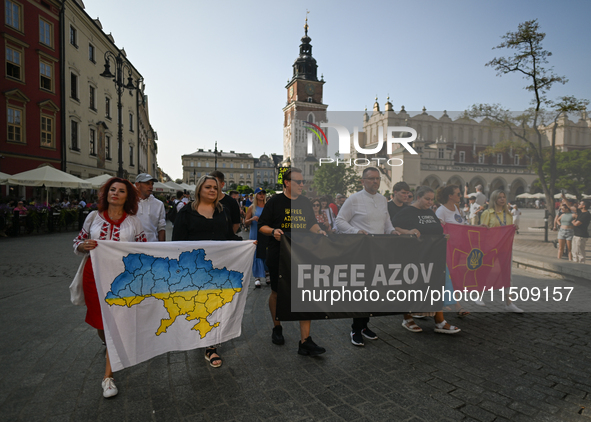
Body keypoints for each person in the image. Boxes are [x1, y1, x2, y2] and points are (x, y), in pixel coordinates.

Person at [73, 177, 147, 398]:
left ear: (128, 196)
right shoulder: (93, 217)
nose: (115, 193)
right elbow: (78, 241)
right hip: (93, 275)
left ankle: (108, 377)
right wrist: (82, 245)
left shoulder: (134, 222)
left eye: (121, 191)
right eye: (112, 190)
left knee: (116, 323)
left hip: (121, 280)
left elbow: (143, 249)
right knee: (101, 323)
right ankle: (110, 345)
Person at [258, 168, 327, 356]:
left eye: (303, 182)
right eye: (298, 182)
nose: (302, 185)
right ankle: (277, 327)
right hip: (278, 254)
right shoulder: (274, 202)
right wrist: (273, 232)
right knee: (277, 292)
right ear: (287, 183)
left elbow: (311, 224)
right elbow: (262, 225)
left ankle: (305, 341)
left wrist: (319, 231)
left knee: (304, 293)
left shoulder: (305, 202)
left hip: (301, 254)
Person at [171, 175, 234, 368]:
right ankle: (198, 336)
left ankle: (210, 346)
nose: (212, 190)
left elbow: (229, 236)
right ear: (199, 189)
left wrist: (247, 244)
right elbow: (178, 242)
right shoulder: (186, 213)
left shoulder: (223, 211)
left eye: (215, 187)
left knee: (214, 304)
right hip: (194, 268)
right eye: (208, 187)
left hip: (218, 267)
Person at [335, 167, 401, 346]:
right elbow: (339, 221)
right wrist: (355, 231)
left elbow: (386, 221)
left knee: (373, 291)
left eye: (378, 179)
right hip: (360, 251)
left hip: (379, 250)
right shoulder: (354, 199)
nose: (376, 182)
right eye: (371, 179)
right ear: (362, 181)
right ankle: (355, 329)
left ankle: (364, 325)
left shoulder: (382, 200)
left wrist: (392, 231)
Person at [391, 186, 461, 334]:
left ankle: (440, 322)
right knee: (412, 287)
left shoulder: (430, 212)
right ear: (418, 197)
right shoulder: (407, 212)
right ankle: (407, 318)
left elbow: (436, 230)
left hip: (434, 256)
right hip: (415, 257)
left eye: (432, 199)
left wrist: (443, 237)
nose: (430, 202)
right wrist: (408, 232)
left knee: (437, 286)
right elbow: (393, 227)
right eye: (427, 199)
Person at [480, 189, 523, 312]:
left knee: (507, 275)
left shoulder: (508, 214)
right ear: (494, 199)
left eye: (504, 197)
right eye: (499, 197)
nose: (502, 199)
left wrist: (514, 227)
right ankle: (478, 295)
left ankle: (509, 303)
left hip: (505, 249)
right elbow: (482, 231)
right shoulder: (487, 213)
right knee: (485, 272)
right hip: (490, 248)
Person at [435, 185, 470, 317]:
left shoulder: (456, 208)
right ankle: (457, 306)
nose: (460, 196)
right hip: (447, 249)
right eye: (458, 194)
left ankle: (444, 302)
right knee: (448, 276)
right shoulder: (441, 211)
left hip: (458, 249)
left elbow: (463, 225)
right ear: (450, 196)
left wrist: (479, 227)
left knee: (452, 276)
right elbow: (438, 230)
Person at [245, 188, 268, 287]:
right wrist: (252, 219)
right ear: (255, 195)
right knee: (256, 254)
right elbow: (245, 222)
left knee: (266, 252)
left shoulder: (268, 207)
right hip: (255, 233)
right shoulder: (252, 207)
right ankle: (257, 277)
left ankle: (267, 273)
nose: (261, 195)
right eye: (259, 193)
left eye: (263, 193)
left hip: (266, 233)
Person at [135, 173, 166, 242]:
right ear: (137, 185)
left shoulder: (159, 204)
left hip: (152, 246)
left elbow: (161, 228)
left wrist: (162, 248)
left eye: (152, 184)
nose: (151, 186)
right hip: (133, 246)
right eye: (147, 183)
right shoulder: (129, 202)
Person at [210, 171, 241, 239]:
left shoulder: (231, 202)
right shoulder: (204, 201)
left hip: (224, 242)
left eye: (216, 184)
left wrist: (228, 237)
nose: (212, 188)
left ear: (222, 184)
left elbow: (236, 224)